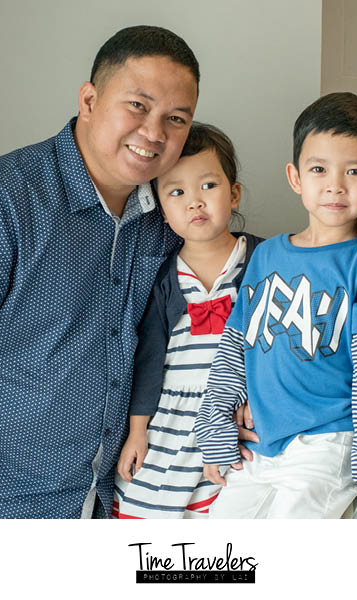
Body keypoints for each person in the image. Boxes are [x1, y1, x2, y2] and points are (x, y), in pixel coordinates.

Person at [0, 26, 200, 519]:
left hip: (108, 503)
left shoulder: (171, 214)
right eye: (137, 106)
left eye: (176, 118)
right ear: (89, 100)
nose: (154, 133)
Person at [193, 93, 357, 518]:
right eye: (319, 169)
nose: (335, 185)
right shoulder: (266, 256)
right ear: (295, 177)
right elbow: (236, 345)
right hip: (262, 443)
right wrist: (213, 420)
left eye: (355, 171)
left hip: (329, 441)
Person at [111, 123, 263, 518]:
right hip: (172, 415)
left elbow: (278, 342)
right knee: (149, 506)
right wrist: (137, 431)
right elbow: (148, 359)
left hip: (235, 410)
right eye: (177, 192)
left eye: (208, 186)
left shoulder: (264, 261)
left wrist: (257, 396)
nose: (195, 202)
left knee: (232, 505)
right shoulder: (164, 276)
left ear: (234, 193)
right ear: (162, 210)